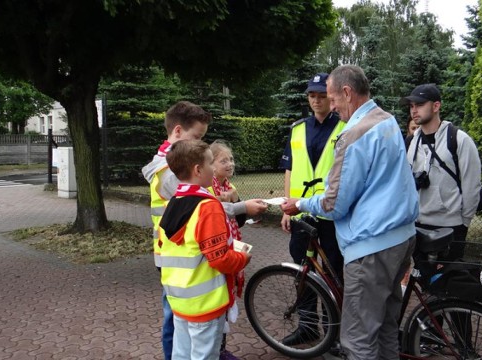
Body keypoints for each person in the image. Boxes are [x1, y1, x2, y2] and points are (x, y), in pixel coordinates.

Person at [281, 65, 419, 360]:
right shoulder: (387, 120)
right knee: (384, 326)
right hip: (402, 238)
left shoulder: (353, 134)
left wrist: (301, 204)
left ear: (347, 92)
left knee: (358, 339)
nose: (331, 107)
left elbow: (334, 204)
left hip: (372, 246)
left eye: (332, 99)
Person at [141, 101, 266, 360]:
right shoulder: (171, 175)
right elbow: (202, 209)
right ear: (177, 131)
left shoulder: (173, 168)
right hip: (189, 269)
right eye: (197, 137)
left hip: (180, 263)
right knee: (181, 330)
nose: (202, 147)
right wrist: (241, 208)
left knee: (181, 332)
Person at [159, 139, 251, 360]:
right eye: (211, 163)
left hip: (180, 300)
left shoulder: (173, 202)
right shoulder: (208, 207)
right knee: (205, 356)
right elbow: (220, 259)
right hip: (205, 303)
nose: (213, 168)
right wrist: (243, 258)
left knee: (181, 355)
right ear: (198, 170)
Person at [279, 72, 345, 347]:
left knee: (334, 272)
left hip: (331, 214)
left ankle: (340, 331)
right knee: (302, 271)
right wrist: (286, 208)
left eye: (322, 95)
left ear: (331, 98)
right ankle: (308, 327)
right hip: (302, 213)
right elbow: (289, 170)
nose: (316, 101)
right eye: (312, 96)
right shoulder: (297, 129)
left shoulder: (344, 127)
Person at [401, 84, 482, 259]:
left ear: (436, 106)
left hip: (450, 227)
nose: (414, 110)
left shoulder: (459, 140)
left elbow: (471, 186)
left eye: (420, 105)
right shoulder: (410, 143)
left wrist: (463, 224)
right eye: (411, 106)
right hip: (417, 225)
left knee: (447, 282)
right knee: (422, 280)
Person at [207, 140, 246, 360]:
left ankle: (221, 348)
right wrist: (230, 203)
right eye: (223, 160)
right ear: (210, 164)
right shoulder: (209, 188)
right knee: (220, 298)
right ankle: (217, 350)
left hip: (231, 246)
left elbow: (239, 222)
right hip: (218, 251)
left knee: (228, 295)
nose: (229, 164)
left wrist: (235, 199)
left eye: (230, 159)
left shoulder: (229, 186)